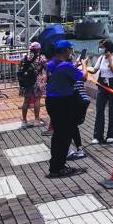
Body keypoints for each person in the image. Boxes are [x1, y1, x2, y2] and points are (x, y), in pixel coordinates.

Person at [44, 40, 87, 178]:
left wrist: (74, 66)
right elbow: (84, 77)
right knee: (65, 136)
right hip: (63, 102)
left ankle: (54, 165)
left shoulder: (50, 64)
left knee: (57, 134)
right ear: (66, 51)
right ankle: (59, 168)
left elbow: (61, 73)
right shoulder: (66, 66)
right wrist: (84, 64)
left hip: (51, 101)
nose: (71, 52)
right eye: (70, 50)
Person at [89, 38, 113, 145]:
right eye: (100, 47)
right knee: (99, 109)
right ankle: (97, 136)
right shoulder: (101, 58)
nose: (100, 49)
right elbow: (94, 70)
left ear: (108, 48)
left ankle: (110, 135)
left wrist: (110, 59)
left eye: (102, 47)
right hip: (102, 84)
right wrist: (84, 67)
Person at [18, 42, 47, 126]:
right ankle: (37, 120)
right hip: (37, 80)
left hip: (26, 81)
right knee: (37, 100)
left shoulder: (24, 56)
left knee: (26, 100)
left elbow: (20, 65)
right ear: (38, 49)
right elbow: (46, 66)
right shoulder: (41, 58)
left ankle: (24, 121)